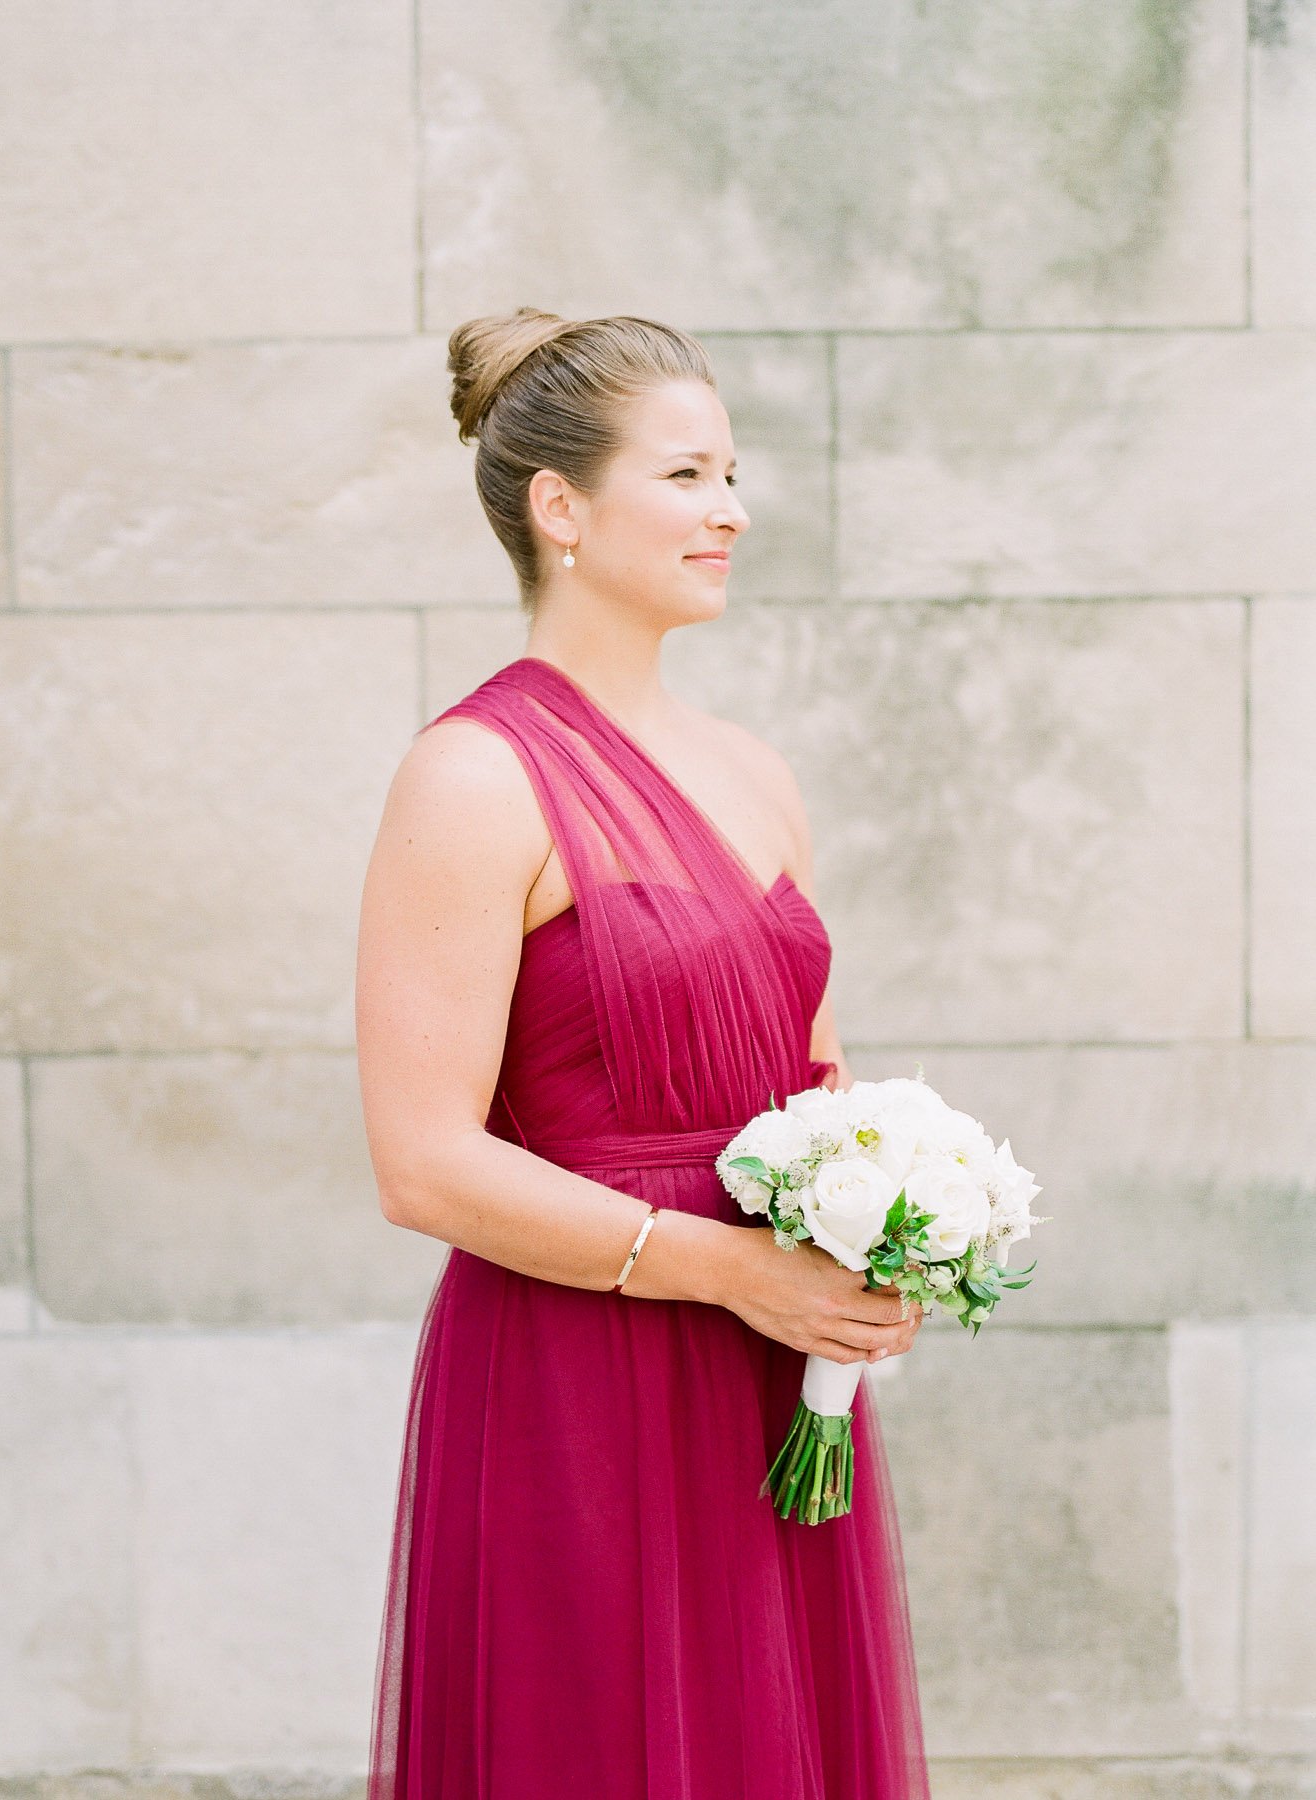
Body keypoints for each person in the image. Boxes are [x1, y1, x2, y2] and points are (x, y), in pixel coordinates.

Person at [354, 306, 931, 1799]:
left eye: (731, 472)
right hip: (577, 1373)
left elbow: (814, 1077)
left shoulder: (754, 773)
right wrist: (732, 1266)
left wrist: (893, 1237)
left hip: (769, 1362)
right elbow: (422, 1163)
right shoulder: (474, 776)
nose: (730, 509)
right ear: (560, 508)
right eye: (685, 476)